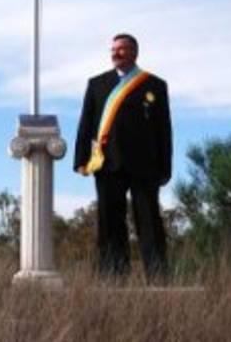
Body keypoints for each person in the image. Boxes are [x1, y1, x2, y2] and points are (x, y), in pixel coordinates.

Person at [74, 32, 172, 279]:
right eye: (113, 49)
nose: (116, 53)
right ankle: (112, 276)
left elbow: (164, 130)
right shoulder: (96, 84)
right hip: (107, 164)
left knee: (149, 223)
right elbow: (86, 125)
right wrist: (81, 160)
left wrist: (165, 168)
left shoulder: (154, 85)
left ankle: (158, 276)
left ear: (134, 53)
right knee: (109, 223)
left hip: (145, 166)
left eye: (122, 49)